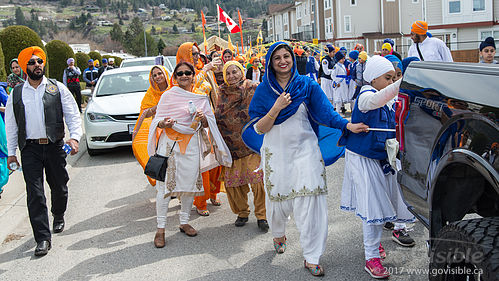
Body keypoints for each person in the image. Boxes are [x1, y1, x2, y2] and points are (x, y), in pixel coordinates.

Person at [242, 42, 368, 277]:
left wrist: (348, 124)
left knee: (311, 198)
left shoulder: (306, 85)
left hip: (306, 150)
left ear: (293, 58)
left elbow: (327, 113)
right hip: (276, 152)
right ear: (270, 62)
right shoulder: (263, 91)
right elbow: (259, 128)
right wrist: (277, 108)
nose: (283, 61)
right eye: (277, 57)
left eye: (286, 56)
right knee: (278, 201)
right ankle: (278, 231)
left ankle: (312, 256)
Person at [339, 55, 416, 279]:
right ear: (373, 79)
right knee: (373, 206)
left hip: (383, 159)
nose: (392, 82)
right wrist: (404, 81)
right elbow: (376, 100)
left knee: (386, 205)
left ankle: (374, 245)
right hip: (362, 158)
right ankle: (371, 256)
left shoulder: (390, 101)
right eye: (387, 78)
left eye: (395, 77)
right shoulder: (366, 95)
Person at [5, 46, 82, 256]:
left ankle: (58, 214)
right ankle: (42, 238)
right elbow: (11, 124)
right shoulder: (17, 94)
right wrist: (12, 152)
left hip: (55, 146)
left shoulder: (57, 88)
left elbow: (73, 114)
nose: (37, 65)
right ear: (24, 67)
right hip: (30, 149)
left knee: (59, 186)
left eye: (39, 61)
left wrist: (74, 137)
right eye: (32, 62)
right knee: (35, 193)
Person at [148, 61, 232, 247]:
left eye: (188, 73)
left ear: (194, 75)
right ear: (175, 77)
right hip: (169, 147)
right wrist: (165, 124)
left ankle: (184, 222)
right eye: (180, 73)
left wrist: (203, 120)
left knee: (189, 186)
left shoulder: (200, 97)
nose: (184, 76)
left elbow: (209, 124)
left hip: (191, 147)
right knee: (164, 189)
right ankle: (160, 229)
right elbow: (157, 122)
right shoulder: (168, 96)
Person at [215, 61, 268, 231]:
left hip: (251, 144)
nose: (232, 76)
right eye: (228, 73)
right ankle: (242, 212)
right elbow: (217, 117)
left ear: (241, 71)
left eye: (235, 71)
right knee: (234, 185)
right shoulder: (221, 92)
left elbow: (264, 109)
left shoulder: (253, 87)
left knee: (258, 181)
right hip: (231, 147)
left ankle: (262, 215)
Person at [176, 42, 224, 216]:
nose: (197, 57)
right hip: (192, 127)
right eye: (193, 54)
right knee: (200, 166)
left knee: (214, 163)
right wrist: (206, 69)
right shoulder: (181, 75)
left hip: (209, 121)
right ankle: (200, 201)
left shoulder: (203, 69)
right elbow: (191, 87)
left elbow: (213, 93)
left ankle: (213, 193)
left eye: (198, 54)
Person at [132, 65, 170, 187]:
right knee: (163, 158)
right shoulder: (151, 93)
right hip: (159, 130)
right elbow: (145, 112)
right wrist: (158, 106)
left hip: (176, 128)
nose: (158, 77)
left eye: (160, 73)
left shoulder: (174, 88)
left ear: (165, 74)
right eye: (155, 75)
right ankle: (165, 184)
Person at [332, 51, 348, 115]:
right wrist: (337, 82)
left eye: (344, 58)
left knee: (342, 98)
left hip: (343, 83)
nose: (343, 60)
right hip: (339, 83)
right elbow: (333, 75)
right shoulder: (336, 66)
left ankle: (340, 112)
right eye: (342, 59)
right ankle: (337, 112)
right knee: (338, 98)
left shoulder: (343, 66)